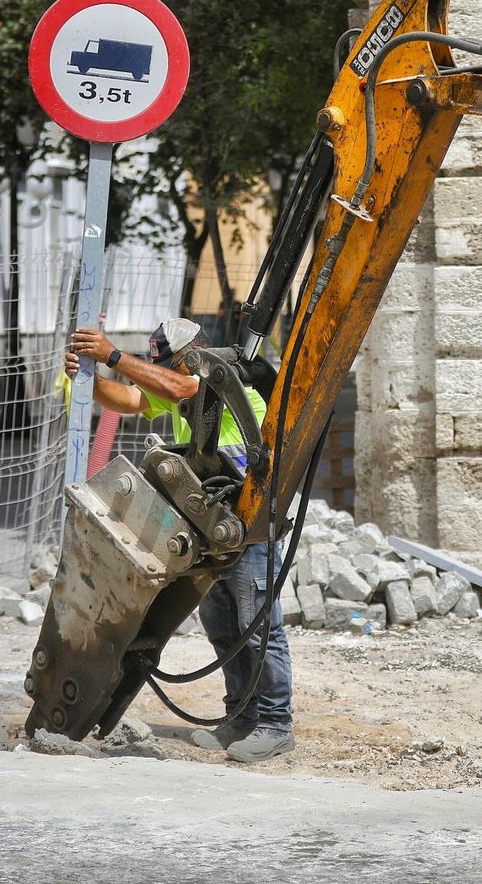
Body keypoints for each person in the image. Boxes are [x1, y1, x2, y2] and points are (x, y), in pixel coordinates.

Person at [65, 318, 295, 763]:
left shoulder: (232, 384)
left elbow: (178, 389)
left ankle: (274, 722)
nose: (163, 374)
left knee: (257, 624)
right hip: (206, 523)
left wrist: (113, 356)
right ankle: (242, 718)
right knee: (224, 625)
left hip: (249, 521)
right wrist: (90, 381)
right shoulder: (178, 383)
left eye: (169, 366)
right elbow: (133, 398)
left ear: (191, 359)